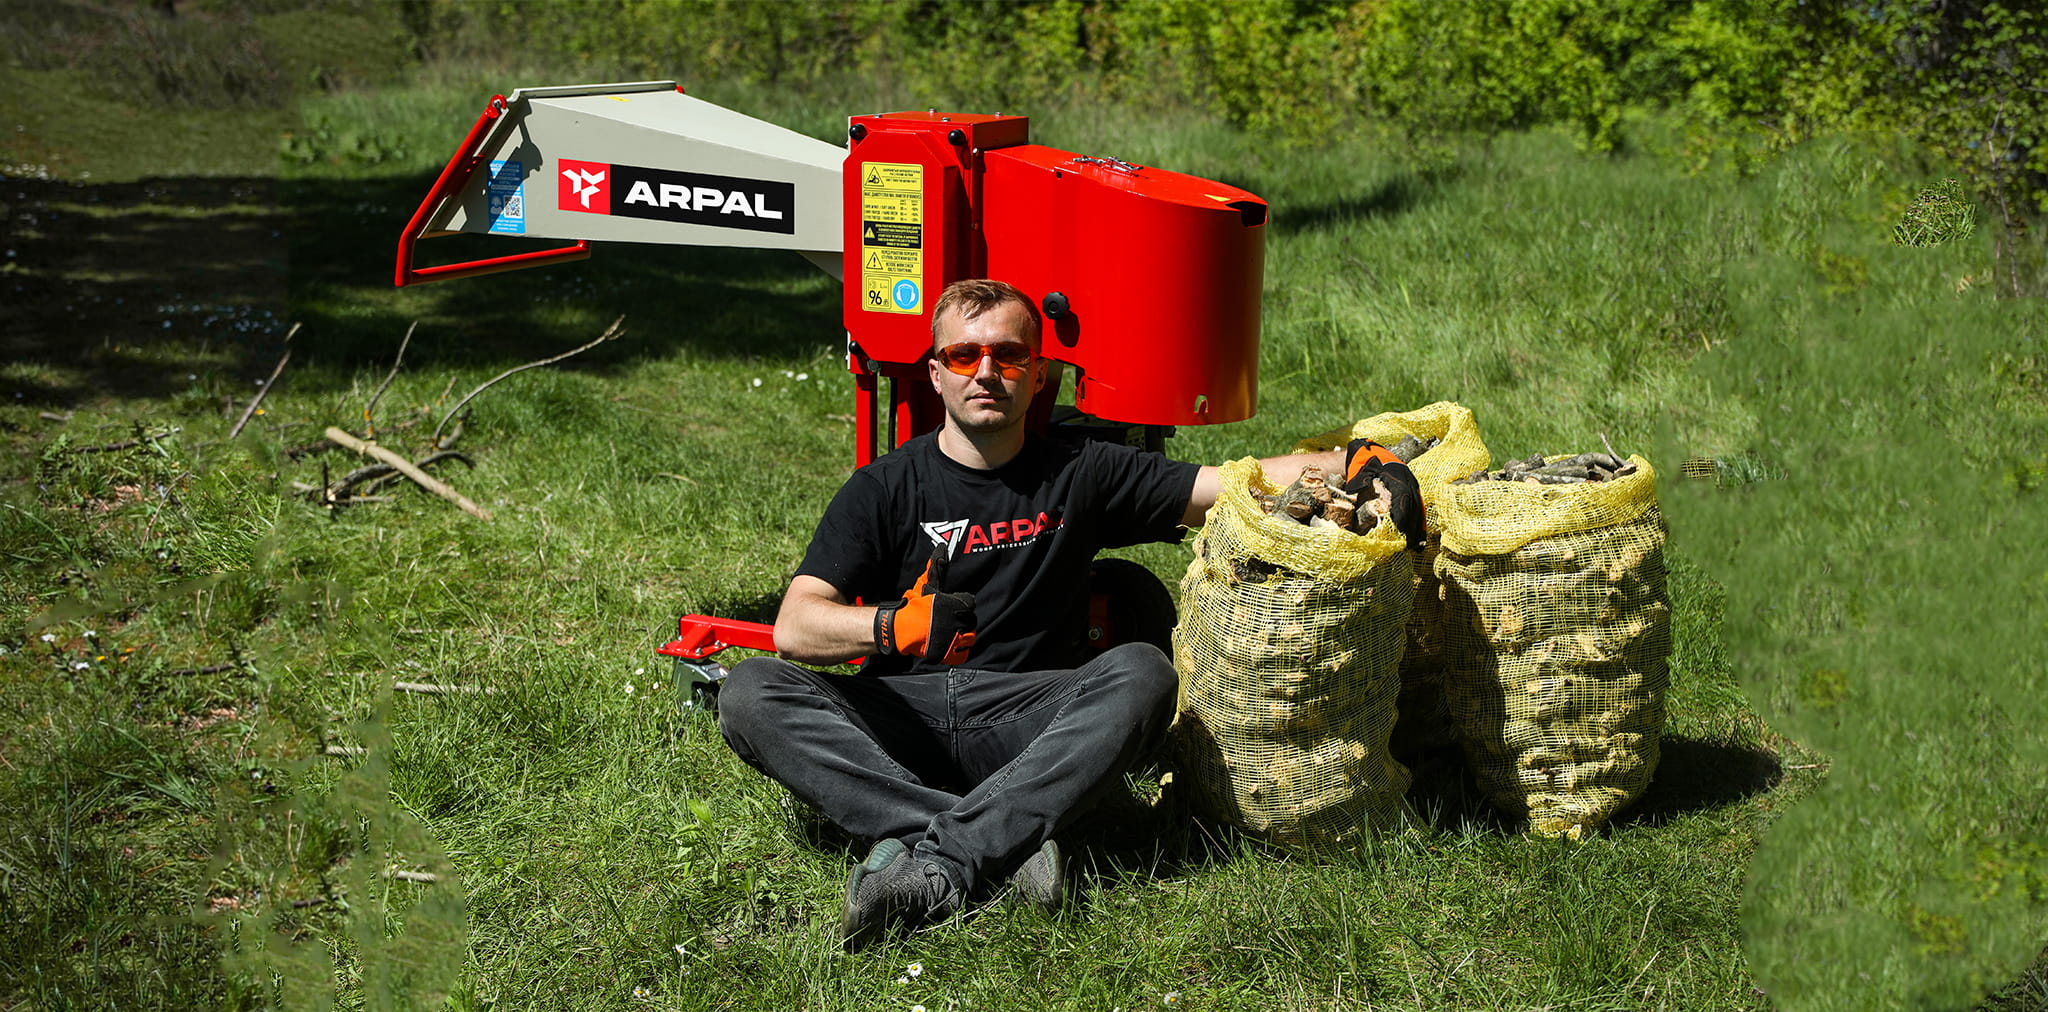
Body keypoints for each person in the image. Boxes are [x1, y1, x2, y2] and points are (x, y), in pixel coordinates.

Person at [716, 279, 1423, 951]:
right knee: (750, 690)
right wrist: (890, 626)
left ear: (1038, 374)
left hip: (1028, 720)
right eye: (964, 355)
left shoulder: (1080, 469)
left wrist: (1353, 461)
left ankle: (930, 849)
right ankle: (993, 842)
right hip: (904, 717)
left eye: (1008, 355)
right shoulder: (883, 487)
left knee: (1144, 673)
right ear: (935, 374)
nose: (985, 372)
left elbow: (1229, 484)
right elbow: (795, 626)